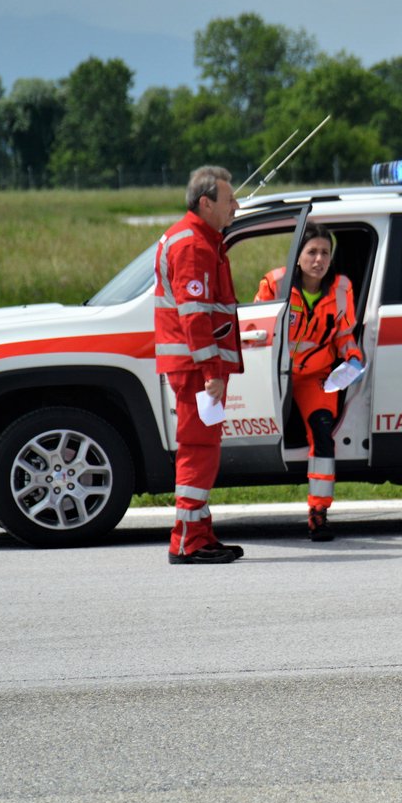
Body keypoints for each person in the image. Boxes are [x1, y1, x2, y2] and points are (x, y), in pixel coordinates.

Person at [154, 165, 241, 564]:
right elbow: (194, 317)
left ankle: (201, 533)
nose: (236, 206)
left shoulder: (200, 238)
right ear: (205, 203)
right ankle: (187, 540)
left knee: (204, 449)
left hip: (196, 367)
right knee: (198, 449)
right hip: (196, 369)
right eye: (229, 200)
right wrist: (211, 374)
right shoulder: (193, 244)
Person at [256, 223, 363, 541]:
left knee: (322, 434)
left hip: (316, 377)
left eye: (325, 253)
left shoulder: (341, 288)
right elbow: (259, 331)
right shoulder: (275, 285)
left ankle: (319, 513)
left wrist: (353, 358)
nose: (319, 259)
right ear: (298, 257)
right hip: (276, 375)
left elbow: (344, 333)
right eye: (312, 252)